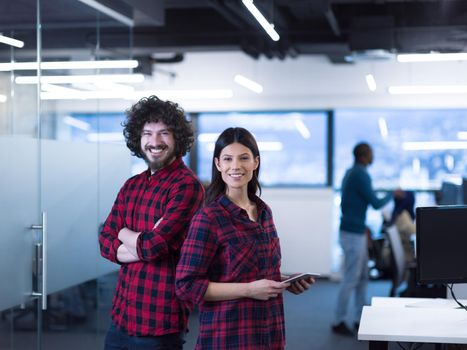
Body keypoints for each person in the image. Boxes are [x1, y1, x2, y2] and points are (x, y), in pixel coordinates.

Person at [175, 127, 314, 349]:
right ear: (218, 164)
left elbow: (252, 270)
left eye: (244, 158)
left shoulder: (264, 211)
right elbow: (186, 285)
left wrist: (284, 281)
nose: (236, 166)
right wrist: (249, 289)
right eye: (228, 159)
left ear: (256, 162)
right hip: (229, 336)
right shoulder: (209, 217)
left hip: (269, 331)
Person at [99, 95, 204, 350]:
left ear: (177, 138)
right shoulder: (132, 185)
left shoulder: (186, 186)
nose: (155, 141)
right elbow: (104, 240)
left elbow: (153, 247)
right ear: (139, 138)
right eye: (147, 133)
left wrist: (122, 232)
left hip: (158, 321)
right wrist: (135, 237)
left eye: (164, 133)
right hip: (121, 317)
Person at [332, 142, 403, 336]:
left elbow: (351, 205)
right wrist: (392, 194)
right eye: (371, 154)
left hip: (355, 231)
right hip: (352, 234)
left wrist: (365, 228)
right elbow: (376, 203)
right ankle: (338, 320)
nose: (373, 157)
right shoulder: (360, 174)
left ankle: (359, 319)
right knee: (351, 278)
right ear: (364, 156)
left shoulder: (351, 172)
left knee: (362, 277)